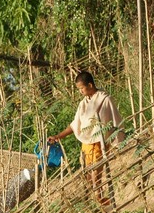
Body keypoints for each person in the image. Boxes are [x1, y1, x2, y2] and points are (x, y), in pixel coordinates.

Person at [49, 70, 125, 205]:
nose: (80, 91)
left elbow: (114, 121)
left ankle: (101, 199)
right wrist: (58, 136)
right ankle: (99, 200)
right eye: (79, 89)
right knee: (89, 175)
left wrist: (117, 141)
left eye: (81, 88)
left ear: (90, 85)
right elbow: (75, 125)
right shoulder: (83, 104)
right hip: (86, 144)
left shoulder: (104, 100)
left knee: (96, 173)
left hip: (99, 143)